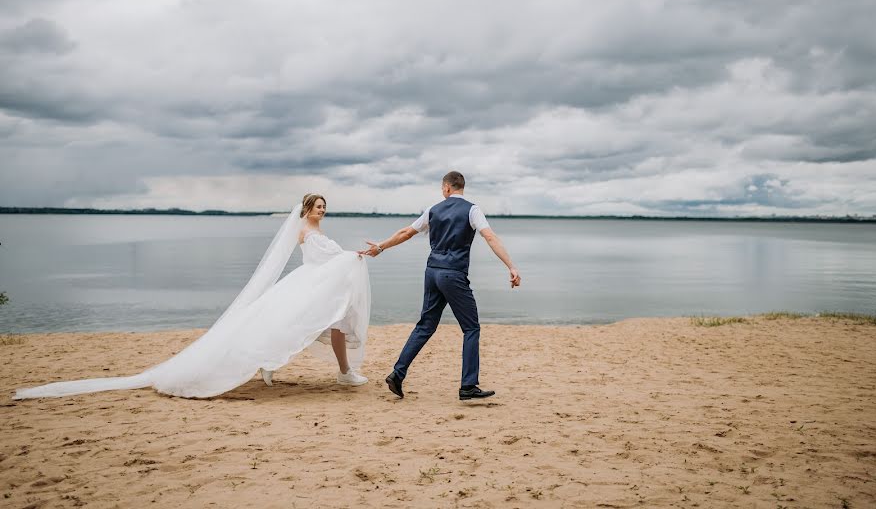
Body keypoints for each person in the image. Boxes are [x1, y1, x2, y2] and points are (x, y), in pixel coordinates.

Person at [14, 193, 370, 400]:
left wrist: (351, 256)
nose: (322, 210)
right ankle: (312, 368)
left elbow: (328, 258)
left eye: (324, 207)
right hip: (310, 282)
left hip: (316, 282)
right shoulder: (306, 231)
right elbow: (322, 258)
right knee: (292, 326)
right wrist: (353, 255)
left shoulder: (317, 229)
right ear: (306, 209)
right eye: (317, 206)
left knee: (313, 324)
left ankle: (335, 371)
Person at [360, 171, 520, 401]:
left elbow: (406, 232)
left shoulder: (433, 209)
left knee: (425, 325)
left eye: (442, 188)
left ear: (446, 187)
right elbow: (490, 237)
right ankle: (468, 386)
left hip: (432, 272)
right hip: (453, 274)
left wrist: (381, 247)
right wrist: (511, 266)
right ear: (460, 187)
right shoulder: (472, 210)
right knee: (471, 328)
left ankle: (397, 373)